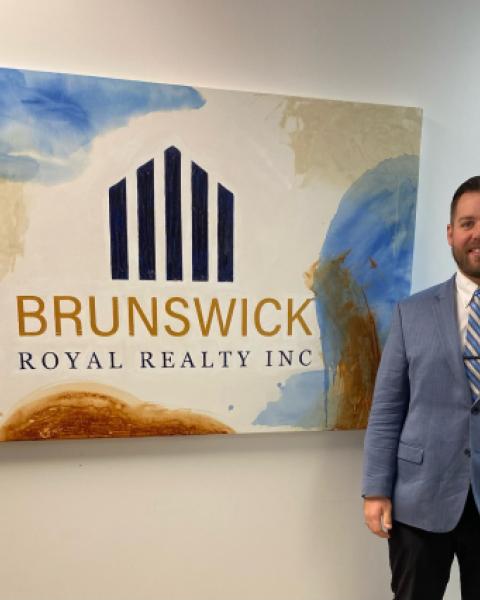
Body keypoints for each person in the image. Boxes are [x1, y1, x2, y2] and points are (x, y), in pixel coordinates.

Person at [362, 175, 480, 600]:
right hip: (420, 498)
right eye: (467, 223)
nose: (477, 233)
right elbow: (387, 409)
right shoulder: (411, 313)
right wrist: (376, 490)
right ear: (451, 233)